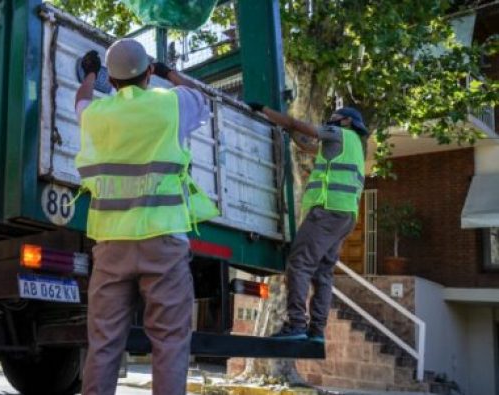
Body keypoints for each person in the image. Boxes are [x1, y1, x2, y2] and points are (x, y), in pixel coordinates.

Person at [74, 38, 219, 395]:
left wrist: (91, 74)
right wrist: (170, 72)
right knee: (169, 343)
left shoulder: (96, 115)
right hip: (163, 241)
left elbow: (79, 101)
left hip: (111, 245)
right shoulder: (171, 104)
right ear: (149, 72)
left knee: (104, 343)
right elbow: (201, 98)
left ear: (113, 79)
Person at [246, 102, 370, 343]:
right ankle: (317, 331)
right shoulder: (353, 146)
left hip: (326, 210)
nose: (330, 118)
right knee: (322, 272)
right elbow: (306, 144)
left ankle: (296, 324)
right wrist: (289, 132)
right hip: (345, 215)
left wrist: (264, 110)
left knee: (299, 264)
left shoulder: (338, 133)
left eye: (335, 115)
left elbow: (296, 124)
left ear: (346, 121)